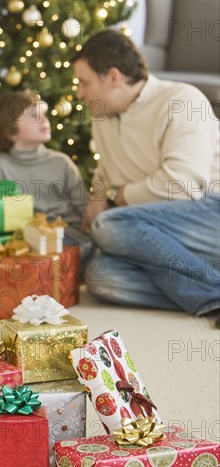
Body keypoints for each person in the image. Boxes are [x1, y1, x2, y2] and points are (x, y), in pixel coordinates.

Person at [71, 29, 219, 319]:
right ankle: (207, 283)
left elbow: (182, 186)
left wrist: (112, 197)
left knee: (108, 226)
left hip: (207, 214)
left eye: (84, 82)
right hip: (155, 233)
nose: (80, 93)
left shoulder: (182, 100)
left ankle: (212, 289)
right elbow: (106, 172)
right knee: (101, 278)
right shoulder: (101, 116)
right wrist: (98, 194)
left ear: (113, 77)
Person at [0, 90, 91, 261]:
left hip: (67, 239)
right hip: (24, 243)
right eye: (34, 116)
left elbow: (86, 209)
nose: (43, 120)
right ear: (11, 133)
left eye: (43, 114)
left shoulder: (61, 162)